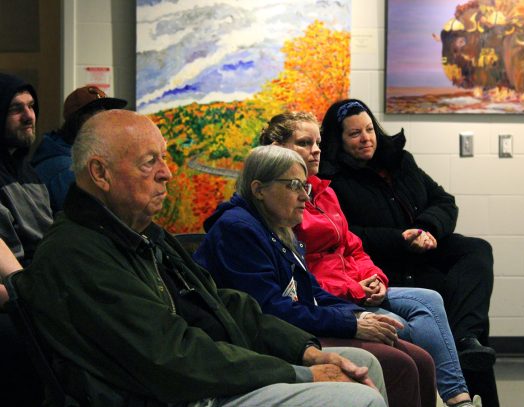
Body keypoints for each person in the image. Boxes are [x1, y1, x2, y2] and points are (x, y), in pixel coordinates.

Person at [12, 110, 387, 407]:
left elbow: (222, 302)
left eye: (164, 159)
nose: (167, 173)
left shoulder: (141, 233)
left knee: (363, 364)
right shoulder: (77, 253)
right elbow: (171, 356)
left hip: (203, 376)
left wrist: (302, 350)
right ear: (100, 173)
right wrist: (299, 373)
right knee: (357, 397)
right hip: (174, 395)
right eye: (149, 163)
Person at [259, 111, 481, 407]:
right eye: (304, 142)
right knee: (402, 324)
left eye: (317, 143)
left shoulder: (324, 192)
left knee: (430, 299)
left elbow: (353, 246)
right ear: (277, 147)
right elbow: (305, 271)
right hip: (333, 296)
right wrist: (355, 290)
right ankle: (444, 398)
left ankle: (458, 399)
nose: (315, 150)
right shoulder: (281, 200)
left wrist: (374, 277)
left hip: (355, 283)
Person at [194, 145, 437, 407]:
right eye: (294, 185)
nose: (304, 197)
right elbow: (269, 311)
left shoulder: (278, 226)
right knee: (399, 364)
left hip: (294, 327)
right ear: (259, 189)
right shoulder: (238, 229)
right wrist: (351, 324)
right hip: (263, 342)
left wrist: (357, 314)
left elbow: (311, 291)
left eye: (305, 187)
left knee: (422, 360)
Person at [319, 99, 498, 406]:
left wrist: (428, 228)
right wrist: (400, 239)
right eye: (354, 134)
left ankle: (467, 338)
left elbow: (443, 200)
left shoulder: (401, 161)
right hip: (384, 263)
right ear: (339, 140)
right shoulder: (334, 181)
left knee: (476, 250)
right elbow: (348, 234)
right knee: (444, 294)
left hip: (424, 248)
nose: (366, 138)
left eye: (369, 129)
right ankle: (464, 359)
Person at [0, 72, 51, 406]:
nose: (29, 116)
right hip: (20, 291)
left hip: (42, 281)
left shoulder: (28, 170)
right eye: (16, 108)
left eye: (31, 106)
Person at [31, 85, 127, 213]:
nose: (106, 125)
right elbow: (92, 221)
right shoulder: (65, 169)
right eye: (96, 117)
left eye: (107, 116)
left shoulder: (71, 154)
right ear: (76, 121)